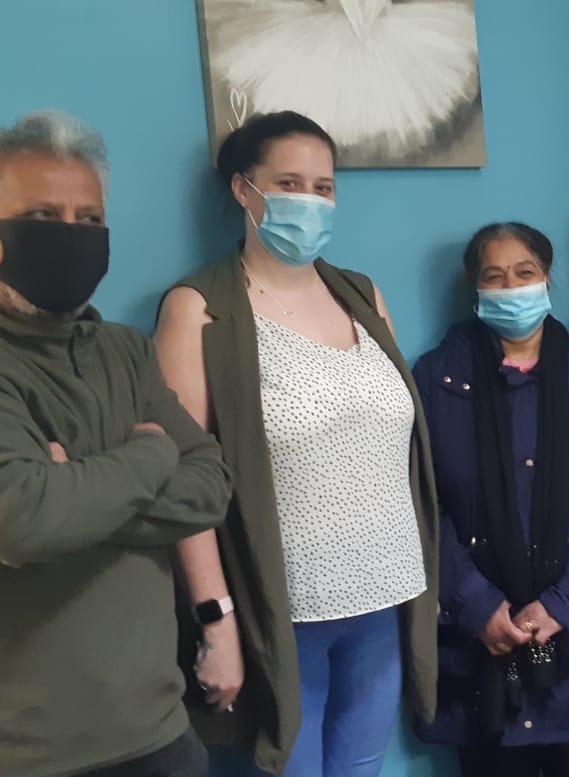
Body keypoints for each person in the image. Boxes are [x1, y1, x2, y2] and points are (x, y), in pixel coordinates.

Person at [0, 111, 231, 777]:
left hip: (156, 729)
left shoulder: (124, 351)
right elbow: (25, 522)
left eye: (88, 219)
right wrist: (150, 455)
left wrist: (75, 489)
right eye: (42, 215)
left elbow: (209, 486)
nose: (70, 235)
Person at [155, 111, 439, 776]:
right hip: (283, 612)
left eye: (323, 187)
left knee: (362, 767)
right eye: (288, 183)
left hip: (387, 593)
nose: (308, 201)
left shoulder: (362, 295)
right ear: (242, 189)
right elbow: (182, 478)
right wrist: (215, 619)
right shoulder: (199, 308)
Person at [411, 223, 569, 777]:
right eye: (494, 276)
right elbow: (422, 506)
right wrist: (476, 605)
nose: (511, 287)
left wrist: (560, 605)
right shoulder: (436, 379)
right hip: (479, 648)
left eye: (524, 272)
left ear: (547, 279)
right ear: (475, 288)